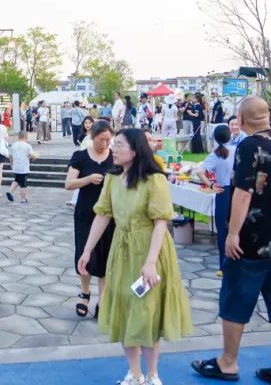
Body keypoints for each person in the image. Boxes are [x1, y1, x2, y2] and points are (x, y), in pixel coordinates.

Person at [192, 95, 271, 385]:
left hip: (253, 238)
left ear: (242, 119)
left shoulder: (248, 146)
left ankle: (228, 362)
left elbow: (243, 192)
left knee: (236, 298)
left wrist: (232, 233)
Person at [79, 128, 192, 385]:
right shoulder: (112, 178)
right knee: (124, 309)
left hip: (150, 249)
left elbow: (161, 222)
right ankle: (134, 373)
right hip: (121, 249)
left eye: (119, 144)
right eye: (114, 144)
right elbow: (103, 214)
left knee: (147, 312)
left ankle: (152, 375)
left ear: (135, 148)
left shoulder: (154, 179)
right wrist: (87, 250)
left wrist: (150, 263)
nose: (113, 148)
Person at [66, 119, 113, 317]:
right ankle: (85, 293)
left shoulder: (115, 158)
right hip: (86, 213)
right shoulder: (81, 157)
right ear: (92, 137)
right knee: (84, 254)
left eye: (108, 140)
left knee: (106, 256)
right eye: (101, 140)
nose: (105, 144)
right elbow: (68, 184)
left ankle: (103, 300)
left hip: (109, 216)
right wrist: (88, 179)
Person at [194, 124, 235, 276]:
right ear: (230, 136)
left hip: (223, 192)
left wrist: (211, 185)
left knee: (222, 229)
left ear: (216, 139)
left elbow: (199, 172)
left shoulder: (216, 154)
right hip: (236, 191)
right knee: (236, 227)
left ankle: (223, 265)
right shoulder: (237, 149)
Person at [6, 130, 36, 203]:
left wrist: (11, 164)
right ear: (26, 136)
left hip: (16, 166)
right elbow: (32, 155)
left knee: (17, 180)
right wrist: (34, 157)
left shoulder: (14, 145)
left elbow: (10, 156)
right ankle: (23, 199)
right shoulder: (27, 145)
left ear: (18, 136)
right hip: (23, 167)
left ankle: (10, 191)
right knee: (23, 184)